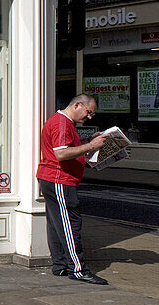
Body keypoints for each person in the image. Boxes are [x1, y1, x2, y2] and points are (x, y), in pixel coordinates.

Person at [36, 93, 109, 284]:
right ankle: (77, 269)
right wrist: (91, 145)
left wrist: (86, 142)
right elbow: (61, 153)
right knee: (70, 225)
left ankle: (60, 266)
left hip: (53, 179)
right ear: (77, 105)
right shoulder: (62, 123)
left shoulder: (64, 122)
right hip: (60, 180)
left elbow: (66, 147)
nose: (90, 117)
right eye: (89, 112)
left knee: (56, 224)